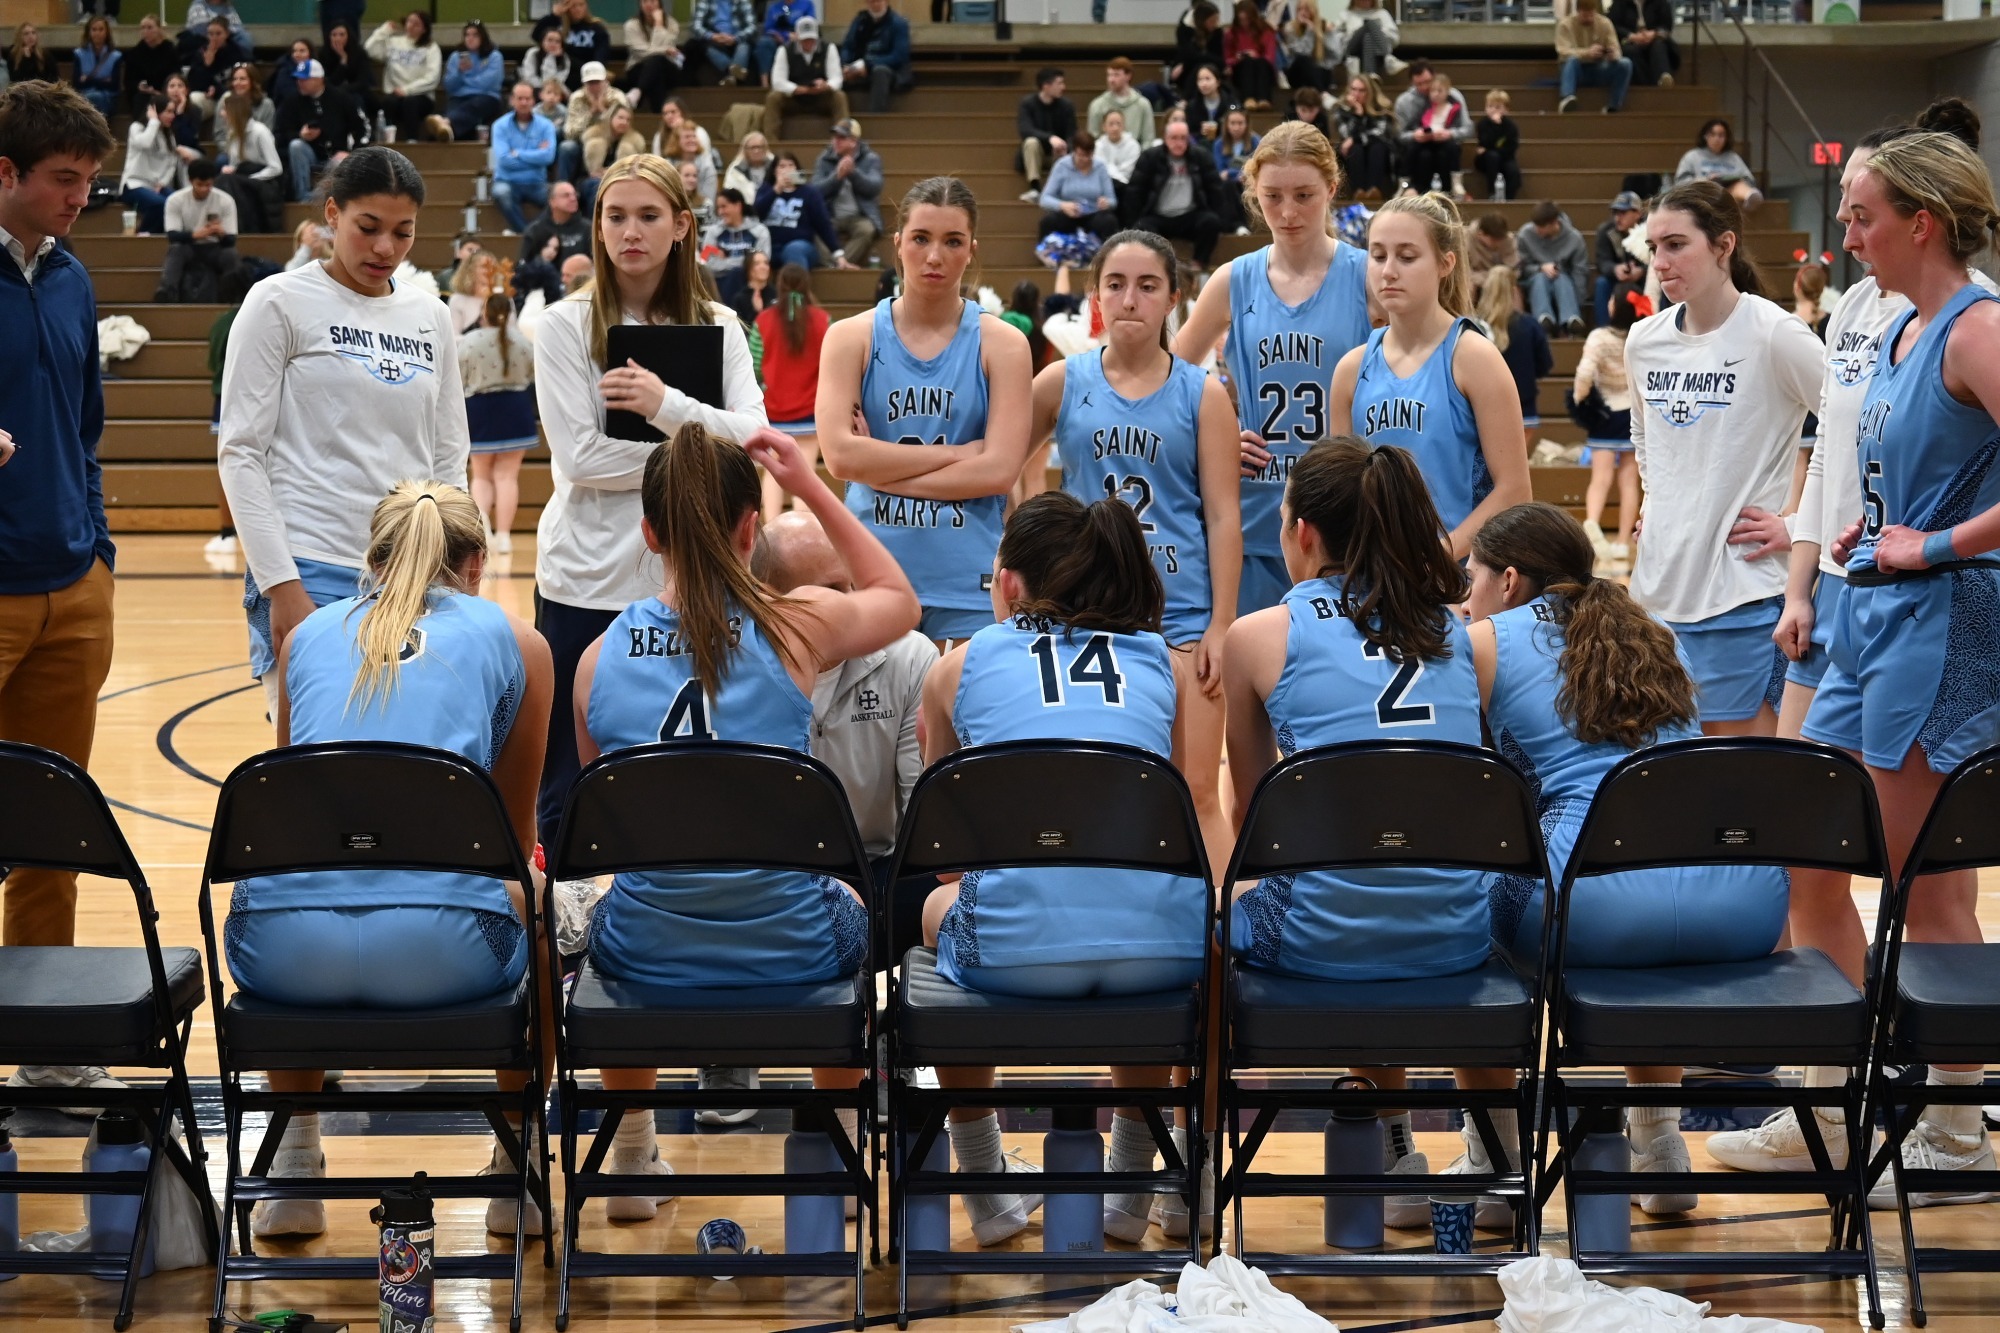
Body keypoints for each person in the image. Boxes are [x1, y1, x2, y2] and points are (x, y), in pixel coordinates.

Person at [1725, 110, 2000, 1192]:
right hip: (1866, 614)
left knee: (1923, 881)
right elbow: (1890, 471)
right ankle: (1829, 1098)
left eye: (1860, 217)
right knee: (1808, 854)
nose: (1845, 236)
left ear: (1921, 223)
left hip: (1943, 627)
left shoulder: (1977, 327)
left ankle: (1951, 1122)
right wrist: (1858, 532)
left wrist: (1924, 541)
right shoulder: (1890, 327)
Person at [571, 418, 914, 1200]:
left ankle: (629, 1157)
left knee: (623, 899)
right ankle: (837, 1153)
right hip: (789, 948)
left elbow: (609, 830)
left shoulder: (598, 659)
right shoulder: (797, 626)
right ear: (751, 527)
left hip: (647, 952)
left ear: (650, 532)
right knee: (854, 901)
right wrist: (809, 483)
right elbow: (900, 598)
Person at [232, 481, 553, 1239]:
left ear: (368, 560)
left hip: (285, 961)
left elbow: (290, 827)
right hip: (445, 956)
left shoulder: (303, 636)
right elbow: (508, 838)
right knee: (539, 899)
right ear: (477, 564)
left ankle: (295, 1165)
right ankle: (517, 1169)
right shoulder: (518, 641)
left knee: (291, 882)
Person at [1469, 501, 1790, 1219]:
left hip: (1594, 909)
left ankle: (1495, 1160)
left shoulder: (1484, 642)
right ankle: (1660, 1146)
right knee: (1641, 872)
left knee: (1462, 899)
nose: (1468, 596)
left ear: (1511, 580)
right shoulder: (1657, 632)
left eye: (1474, 578)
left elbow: (1470, 799)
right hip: (1743, 905)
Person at [920, 490, 1206, 1244]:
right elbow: (1171, 828)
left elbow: (946, 855)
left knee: (935, 910)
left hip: (1016, 955)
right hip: (1161, 954)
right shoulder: (1159, 660)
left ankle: (984, 1186)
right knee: (1132, 895)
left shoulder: (956, 665)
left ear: (1008, 583)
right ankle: (1135, 1188)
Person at [1221, 438, 1493, 1218]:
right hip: (1459, 932)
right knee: (1398, 867)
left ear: (1303, 532)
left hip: (1320, 935)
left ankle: (1383, 1140)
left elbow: (1252, 823)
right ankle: (1493, 1155)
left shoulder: (1256, 637)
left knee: (1249, 899)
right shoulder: (1460, 636)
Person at [531, 154, 768, 854]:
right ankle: (571, 933)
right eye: (615, 215)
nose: (630, 231)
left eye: (648, 215)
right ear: (597, 228)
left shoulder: (720, 322)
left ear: (682, 226)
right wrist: (701, 449)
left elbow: (755, 438)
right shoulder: (564, 325)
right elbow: (581, 459)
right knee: (572, 776)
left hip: (693, 578)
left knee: (689, 760)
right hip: (585, 580)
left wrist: (667, 406)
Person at [219, 148, 470, 723]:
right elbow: (240, 452)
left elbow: (449, 455)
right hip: (308, 562)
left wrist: (449, 566)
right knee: (314, 767)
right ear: (332, 214)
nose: (385, 248)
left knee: (405, 756)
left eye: (403, 233)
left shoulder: (430, 315)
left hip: (411, 570)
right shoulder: (278, 301)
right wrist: (281, 585)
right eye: (368, 227)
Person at [1031, 230, 1241, 874]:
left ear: (1173, 298)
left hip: (1180, 620)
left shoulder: (1203, 393)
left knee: (1199, 791)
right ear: (1094, 295)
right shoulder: (1060, 382)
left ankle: (1220, 944)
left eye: (1148, 285)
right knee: (1094, 791)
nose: (1130, 299)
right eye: (1116, 284)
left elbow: (1223, 515)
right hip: (1085, 619)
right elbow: (1000, 467)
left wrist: (1221, 624)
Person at [0, 82, 120, 1103]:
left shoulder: (73, 277)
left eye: (89, 180)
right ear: (6, 174)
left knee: (49, 826)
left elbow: (85, 429)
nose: (81, 197)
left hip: (71, 591)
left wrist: (100, 554)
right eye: (64, 181)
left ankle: (41, 1035)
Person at [1623, 179, 1820, 736]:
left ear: (1724, 244)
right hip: (1656, 596)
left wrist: (1800, 525)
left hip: (1742, 596)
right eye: (1653, 246)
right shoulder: (1643, 340)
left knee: (1737, 786)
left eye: (1676, 245)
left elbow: (1858, 427)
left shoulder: (1775, 333)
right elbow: (1646, 438)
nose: (1660, 261)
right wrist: (1660, 501)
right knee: (1667, 770)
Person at [817, 176, 1036, 645]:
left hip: (968, 580)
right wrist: (960, 456)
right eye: (921, 238)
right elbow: (838, 457)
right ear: (898, 244)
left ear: (971, 249)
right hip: (872, 572)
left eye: (952, 241)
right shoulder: (849, 337)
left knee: (957, 719)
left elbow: (998, 472)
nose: (934, 256)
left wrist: (877, 469)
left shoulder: (1004, 344)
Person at [1177, 122, 1371, 615]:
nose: (1287, 212)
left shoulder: (1367, 275)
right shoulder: (1232, 280)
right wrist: (1217, 436)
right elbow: (1168, 379)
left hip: (1349, 513)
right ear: (1253, 194)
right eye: (1272, 196)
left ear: (1331, 188)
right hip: (1257, 513)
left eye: (1304, 195)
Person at [1335, 192, 1531, 559]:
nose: (1388, 270)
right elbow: (1342, 493)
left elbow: (1515, 492)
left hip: (1458, 583)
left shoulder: (1473, 357)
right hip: (1377, 581)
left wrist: (1435, 560)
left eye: (1407, 257)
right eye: (1378, 256)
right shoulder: (1350, 369)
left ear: (1445, 263)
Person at [461, 292, 537, 552]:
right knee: (507, 477)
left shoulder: (469, 341)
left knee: (480, 476)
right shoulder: (524, 341)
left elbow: (459, 377)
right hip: (515, 408)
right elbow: (532, 374)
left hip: (480, 408)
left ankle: (484, 535)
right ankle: (504, 536)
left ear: (485, 313)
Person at [1574, 283, 1644, 563]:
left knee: (1599, 478)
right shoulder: (1641, 335)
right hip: (1632, 414)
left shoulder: (1599, 337)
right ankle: (1623, 543)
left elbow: (1584, 372)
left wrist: (1580, 399)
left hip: (1603, 414)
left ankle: (1592, 526)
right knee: (1629, 481)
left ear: (1613, 306)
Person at [756, 263, 828, 518]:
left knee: (772, 474)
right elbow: (833, 365)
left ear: (780, 285)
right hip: (810, 413)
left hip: (773, 413)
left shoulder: (762, 320)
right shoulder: (824, 320)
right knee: (805, 475)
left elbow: (754, 366)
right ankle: (801, 540)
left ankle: (773, 535)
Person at [1475, 265, 1550, 473]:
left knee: (1491, 473)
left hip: (1484, 411)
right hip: (1524, 408)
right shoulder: (1530, 325)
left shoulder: (1474, 327)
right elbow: (1545, 365)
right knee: (1515, 471)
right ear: (1514, 290)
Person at [1129, 121, 1229, 272]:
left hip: (1190, 215)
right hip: (1158, 216)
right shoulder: (1150, 157)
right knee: (1141, 228)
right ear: (1165, 138)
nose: (1179, 143)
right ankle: (1159, 266)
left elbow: (1215, 189)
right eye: (1174, 138)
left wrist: (1220, 216)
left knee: (1211, 222)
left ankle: (1198, 263)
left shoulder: (1201, 157)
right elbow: (1135, 192)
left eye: (1183, 138)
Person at [278, 60, 365, 204]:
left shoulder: (341, 98)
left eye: (304, 79)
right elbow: (281, 133)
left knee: (341, 161)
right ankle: (303, 198)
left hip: (337, 153)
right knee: (296, 145)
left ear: (319, 79)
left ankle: (321, 198)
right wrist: (300, 135)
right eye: (298, 79)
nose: (300, 82)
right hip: (309, 154)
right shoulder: (292, 101)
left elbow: (361, 127)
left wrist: (353, 152)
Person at [158, 158, 241, 303]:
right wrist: (195, 235)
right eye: (199, 185)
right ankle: (167, 293)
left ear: (213, 182)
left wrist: (221, 233)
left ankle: (230, 298)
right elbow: (172, 235)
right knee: (176, 250)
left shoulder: (225, 200)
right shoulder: (175, 200)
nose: (204, 189)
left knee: (231, 255)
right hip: (189, 247)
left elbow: (231, 240)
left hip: (215, 247)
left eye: (208, 185)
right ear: (190, 181)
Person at [812, 119, 883, 267]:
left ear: (853, 141)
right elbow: (815, 191)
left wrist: (853, 173)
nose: (836, 141)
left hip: (859, 215)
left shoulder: (871, 158)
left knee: (867, 230)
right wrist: (836, 177)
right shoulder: (824, 159)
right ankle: (837, 266)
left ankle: (838, 265)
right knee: (814, 229)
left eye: (841, 138)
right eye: (834, 137)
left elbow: (874, 187)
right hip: (831, 215)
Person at [491, 82, 557, 236]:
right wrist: (535, 156)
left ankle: (529, 231)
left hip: (536, 182)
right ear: (512, 100)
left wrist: (518, 153)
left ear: (533, 101)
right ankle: (528, 233)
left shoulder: (546, 125)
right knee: (501, 193)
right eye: (520, 98)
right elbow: (503, 160)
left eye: (527, 98)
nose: (524, 102)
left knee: (560, 198)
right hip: (507, 181)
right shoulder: (499, 126)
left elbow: (548, 157)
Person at [765, 17, 847, 142]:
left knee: (839, 96)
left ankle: (843, 140)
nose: (808, 42)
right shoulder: (784, 51)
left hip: (820, 97)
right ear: (797, 37)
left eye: (811, 39)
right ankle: (771, 143)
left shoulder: (829, 49)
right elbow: (777, 81)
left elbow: (837, 78)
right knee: (773, 97)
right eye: (804, 39)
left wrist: (826, 85)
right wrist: (797, 89)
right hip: (794, 99)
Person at [1516, 200, 1590, 337]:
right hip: (1534, 280)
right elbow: (1521, 268)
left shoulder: (1574, 238)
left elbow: (1580, 271)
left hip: (1564, 283)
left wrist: (1579, 301)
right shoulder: (1525, 235)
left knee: (1561, 278)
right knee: (1540, 278)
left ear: (1554, 223)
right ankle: (1544, 319)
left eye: (1541, 227)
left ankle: (1571, 319)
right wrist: (1540, 268)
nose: (1537, 230)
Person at [757, 151, 841, 271]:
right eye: (782, 166)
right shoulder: (766, 189)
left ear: (797, 169)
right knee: (752, 255)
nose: (787, 170)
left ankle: (797, 290)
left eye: (791, 165)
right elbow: (756, 215)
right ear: (774, 171)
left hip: (802, 247)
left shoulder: (809, 192)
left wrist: (838, 254)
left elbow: (823, 224)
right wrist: (776, 190)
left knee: (793, 249)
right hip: (770, 247)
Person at [367, 11, 443, 144]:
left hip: (421, 96)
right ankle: (387, 141)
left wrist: (407, 90)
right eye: (409, 21)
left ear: (424, 29)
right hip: (395, 94)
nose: (411, 25)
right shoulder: (394, 42)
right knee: (388, 102)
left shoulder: (431, 47)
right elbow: (369, 49)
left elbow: (432, 78)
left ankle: (412, 140)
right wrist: (384, 31)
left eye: (416, 24)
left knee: (410, 102)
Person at [215, 93, 284, 234]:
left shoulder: (260, 132)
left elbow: (276, 168)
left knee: (229, 182)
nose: (222, 114)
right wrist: (231, 169)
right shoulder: (232, 133)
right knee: (222, 179)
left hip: (265, 179)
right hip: (244, 178)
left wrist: (251, 178)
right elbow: (236, 163)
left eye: (225, 110)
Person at [1393, 60, 1468, 185]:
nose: (1424, 87)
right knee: (1423, 156)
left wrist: (1449, 134)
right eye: (1419, 84)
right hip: (1419, 146)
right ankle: (1410, 188)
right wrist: (1414, 135)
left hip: (1446, 144)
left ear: (1435, 76)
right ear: (1412, 82)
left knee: (1446, 153)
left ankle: (1452, 189)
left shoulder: (1453, 96)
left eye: (1427, 82)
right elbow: (1398, 135)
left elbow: (1467, 128)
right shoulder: (1404, 101)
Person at [1038, 132, 1119, 243]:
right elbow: (1045, 199)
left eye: (1088, 155)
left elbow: (1112, 200)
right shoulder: (1062, 166)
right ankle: (1049, 257)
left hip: (1093, 214)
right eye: (1081, 155)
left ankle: (1105, 258)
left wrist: (1106, 203)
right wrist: (1062, 205)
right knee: (1048, 222)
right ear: (1074, 151)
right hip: (1068, 214)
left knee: (1110, 221)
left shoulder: (1100, 167)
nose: (1085, 159)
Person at [120, 97, 185, 235]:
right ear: (155, 111)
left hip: (156, 186)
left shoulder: (168, 134)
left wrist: (163, 182)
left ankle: (159, 236)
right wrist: (154, 121)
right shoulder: (137, 127)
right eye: (168, 112)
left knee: (178, 203)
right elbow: (145, 143)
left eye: (173, 112)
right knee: (159, 205)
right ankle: (142, 234)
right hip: (134, 184)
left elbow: (172, 163)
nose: (172, 116)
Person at [1556, 0, 1631, 115]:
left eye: (1591, 14)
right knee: (1571, 61)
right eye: (1585, 15)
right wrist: (1587, 53)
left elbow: (1616, 48)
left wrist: (1613, 54)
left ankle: (1613, 106)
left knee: (1625, 63)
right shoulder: (1565, 24)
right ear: (1578, 12)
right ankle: (1567, 98)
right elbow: (1563, 52)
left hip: (1599, 67)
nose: (1589, 18)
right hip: (1576, 70)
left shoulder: (1605, 23)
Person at [840, 0, 914, 116]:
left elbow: (899, 56)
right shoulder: (860, 21)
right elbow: (848, 47)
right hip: (859, 67)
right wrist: (846, 65)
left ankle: (876, 117)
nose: (874, 4)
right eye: (871, 1)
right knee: (835, 73)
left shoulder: (898, 23)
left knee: (880, 71)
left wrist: (868, 65)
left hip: (889, 70)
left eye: (878, 1)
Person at [1017, 68, 1076, 204]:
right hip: (1036, 154)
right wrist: (1050, 138)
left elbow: (1072, 133)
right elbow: (1025, 130)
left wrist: (1065, 147)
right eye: (1059, 83)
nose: (1063, 87)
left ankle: (1057, 189)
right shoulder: (1027, 104)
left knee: (1072, 150)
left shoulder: (1067, 106)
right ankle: (1035, 188)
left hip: (1059, 154)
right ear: (1046, 86)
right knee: (1031, 142)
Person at [1676, 118, 1762, 211]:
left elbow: (1749, 179)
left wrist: (1730, 179)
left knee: (1737, 186)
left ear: (1726, 138)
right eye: (1712, 134)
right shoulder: (1692, 156)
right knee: (1710, 189)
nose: (1717, 139)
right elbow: (1680, 182)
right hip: (1704, 191)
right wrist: (1705, 180)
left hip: (1729, 193)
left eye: (1721, 135)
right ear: (1705, 136)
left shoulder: (1733, 157)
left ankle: (1750, 196)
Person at [701, 188, 769, 301]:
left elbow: (762, 263)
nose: (720, 212)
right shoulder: (713, 232)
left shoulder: (759, 231)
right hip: (719, 283)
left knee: (737, 274)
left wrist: (724, 262)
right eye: (718, 208)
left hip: (750, 285)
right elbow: (705, 262)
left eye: (724, 207)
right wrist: (745, 262)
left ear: (738, 206)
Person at [1334, 73, 1395, 201]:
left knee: (1377, 147)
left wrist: (1354, 139)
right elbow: (1345, 134)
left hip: (1378, 150)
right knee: (1356, 149)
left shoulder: (1381, 108)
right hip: (1352, 153)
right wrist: (1358, 114)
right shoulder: (1341, 109)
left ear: (1369, 92)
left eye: (1361, 90)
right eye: (1353, 89)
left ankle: (1374, 191)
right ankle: (1359, 193)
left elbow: (1380, 134)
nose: (1356, 94)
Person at [444, 20, 505, 142]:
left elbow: (488, 83)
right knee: (458, 113)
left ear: (483, 37)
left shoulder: (494, 56)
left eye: (475, 35)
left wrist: (464, 81)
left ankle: (445, 122)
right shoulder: (456, 57)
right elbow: (449, 85)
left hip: (486, 98)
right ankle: (446, 129)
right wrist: (460, 72)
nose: (470, 38)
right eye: (467, 35)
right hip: (459, 98)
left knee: (473, 106)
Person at [619, 0, 684, 113]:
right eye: (645, 2)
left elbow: (656, 50)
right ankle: (660, 114)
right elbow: (641, 52)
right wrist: (664, 50)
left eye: (653, 1)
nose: (649, 5)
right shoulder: (631, 25)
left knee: (658, 61)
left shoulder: (672, 24)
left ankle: (637, 92)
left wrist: (658, 23)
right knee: (656, 74)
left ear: (660, 4)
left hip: (668, 68)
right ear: (640, 4)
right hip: (638, 68)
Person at [1593, 189, 1645, 327]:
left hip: (1642, 281)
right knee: (1601, 283)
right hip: (1616, 281)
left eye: (1623, 213)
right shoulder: (1605, 231)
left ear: (1638, 213)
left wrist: (1642, 271)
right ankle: (1604, 329)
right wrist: (1615, 269)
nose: (1617, 218)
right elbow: (1602, 261)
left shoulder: (1649, 230)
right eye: (1615, 213)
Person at [1223, 0, 1279, 111]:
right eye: (1241, 20)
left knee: (1260, 63)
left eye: (1247, 20)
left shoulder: (1266, 31)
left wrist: (1256, 55)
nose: (1244, 23)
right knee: (1247, 62)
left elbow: (1270, 57)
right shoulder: (1231, 33)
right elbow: (1227, 59)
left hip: (1263, 70)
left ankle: (1264, 99)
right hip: (1241, 70)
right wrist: (1237, 58)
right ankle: (1248, 99)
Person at [1610, 0, 1677, 88]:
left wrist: (1654, 33)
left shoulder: (1661, 2)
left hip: (1654, 39)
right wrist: (1631, 36)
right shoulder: (1620, 3)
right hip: (1630, 40)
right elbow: (1613, 25)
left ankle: (1664, 79)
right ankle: (1646, 87)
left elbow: (1666, 25)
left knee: (1659, 47)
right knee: (1630, 51)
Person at [1089, 56, 1154, 146]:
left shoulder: (1143, 104)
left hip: (1136, 154)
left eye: (1116, 75)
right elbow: (1093, 138)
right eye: (1109, 75)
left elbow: (1148, 139)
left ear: (1128, 76)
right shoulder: (1098, 105)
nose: (1111, 80)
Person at [690, 0, 757, 85]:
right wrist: (713, 36)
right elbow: (695, 26)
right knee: (702, 45)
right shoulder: (705, 2)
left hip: (738, 38)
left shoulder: (743, 2)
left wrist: (736, 38)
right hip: (715, 39)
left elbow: (752, 27)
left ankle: (731, 77)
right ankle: (734, 73)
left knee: (744, 45)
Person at [125, 15, 181, 118]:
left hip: (165, 92)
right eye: (143, 28)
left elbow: (175, 75)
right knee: (140, 99)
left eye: (150, 27)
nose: (146, 31)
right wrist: (139, 86)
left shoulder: (170, 50)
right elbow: (129, 80)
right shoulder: (135, 53)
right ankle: (139, 129)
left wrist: (161, 91)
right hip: (144, 94)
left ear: (159, 29)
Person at [582, 103, 645, 191]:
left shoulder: (632, 142)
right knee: (596, 185)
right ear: (611, 118)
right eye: (620, 118)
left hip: (620, 180)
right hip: (594, 179)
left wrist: (609, 173)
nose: (624, 122)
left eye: (628, 120)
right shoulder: (595, 136)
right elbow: (592, 172)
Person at [1212, 112, 1258, 231]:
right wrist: (1239, 173)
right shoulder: (1219, 144)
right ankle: (1239, 225)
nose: (1236, 127)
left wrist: (1234, 173)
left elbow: (1257, 165)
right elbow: (1220, 172)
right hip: (1230, 185)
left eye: (1240, 123)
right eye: (1232, 123)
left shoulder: (1255, 141)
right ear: (1226, 125)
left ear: (1247, 124)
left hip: (1249, 182)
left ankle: (1235, 226)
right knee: (1228, 186)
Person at [1171, 2, 1225, 104]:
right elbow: (1188, 55)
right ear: (1203, 20)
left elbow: (1219, 59)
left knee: (1203, 68)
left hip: (1210, 68)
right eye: (1212, 21)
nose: (1215, 23)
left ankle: (1185, 100)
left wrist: (1200, 57)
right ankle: (1187, 100)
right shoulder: (1186, 31)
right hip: (1189, 70)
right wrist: (1201, 58)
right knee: (1200, 68)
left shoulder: (1217, 33)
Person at [1333, 0, 1402, 78]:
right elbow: (1337, 37)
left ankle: (1370, 73)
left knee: (1367, 37)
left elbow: (1394, 37)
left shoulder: (1382, 14)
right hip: (1352, 48)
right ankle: (1387, 57)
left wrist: (1378, 33)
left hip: (1375, 51)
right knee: (1370, 23)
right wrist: (1355, 32)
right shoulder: (1345, 14)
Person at [1277, 1, 1332, 95]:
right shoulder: (1290, 28)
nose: (1302, 13)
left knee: (1326, 68)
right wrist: (1309, 31)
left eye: (1306, 9)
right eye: (1299, 9)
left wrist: (1327, 35)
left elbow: (1335, 56)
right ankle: (1322, 95)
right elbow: (1303, 52)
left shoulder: (1322, 25)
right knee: (1304, 60)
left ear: (1313, 11)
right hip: (1296, 73)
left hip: (1316, 72)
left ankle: (1319, 95)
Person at [1474, 88, 1520, 203]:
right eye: (1490, 106)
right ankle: (1492, 193)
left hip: (1505, 158)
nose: (1493, 110)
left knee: (1513, 171)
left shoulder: (1510, 126)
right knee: (1492, 157)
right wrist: (1496, 126)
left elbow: (1512, 147)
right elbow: (1485, 142)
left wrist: (1491, 149)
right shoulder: (1483, 124)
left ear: (1506, 110)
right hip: (1485, 160)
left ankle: (1509, 199)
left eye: (1498, 107)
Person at [72, 17, 121, 119]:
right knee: (87, 100)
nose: (97, 33)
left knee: (95, 99)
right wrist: (103, 80)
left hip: (108, 98)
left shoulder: (115, 55)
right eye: (94, 29)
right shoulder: (79, 54)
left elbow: (114, 85)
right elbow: (77, 83)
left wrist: (88, 79)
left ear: (106, 32)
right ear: (88, 32)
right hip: (83, 96)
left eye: (101, 29)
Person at [755, 0, 815, 83]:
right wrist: (784, 35)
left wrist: (799, 35)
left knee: (804, 42)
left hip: (800, 37)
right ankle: (764, 84)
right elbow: (768, 29)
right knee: (764, 43)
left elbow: (810, 24)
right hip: (778, 38)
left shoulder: (806, 4)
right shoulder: (774, 7)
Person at [321, 22, 374, 113]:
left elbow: (363, 81)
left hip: (357, 92)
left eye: (342, 35)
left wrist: (344, 90)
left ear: (348, 36)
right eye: (334, 35)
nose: (338, 38)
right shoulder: (323, 54)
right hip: (332, 92)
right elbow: (329, 81)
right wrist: (343, 61)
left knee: (355, 99)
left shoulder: (359, 53)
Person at [1096, 109, 1140, 204]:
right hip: (1103, 187)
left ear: (1123, 126)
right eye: (1111, 124)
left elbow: (1128, 171)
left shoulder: (1133, 146)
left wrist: (1112, 173)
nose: (1115, 128)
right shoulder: (1098, 145)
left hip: (1126, 186)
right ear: (1104, 127)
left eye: (1118, 124)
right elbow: (1100, 169)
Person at [1189, 65, 1238, 147]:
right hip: (1200, 146)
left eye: (1208, 79)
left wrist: (1218, 127)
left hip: (1227, 145)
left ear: (1218, 82)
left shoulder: (1230, 103)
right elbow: (1190, 131)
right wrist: (1200, 132)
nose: (1203, 84)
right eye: (1200, 80)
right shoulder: (1192, 106)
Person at [1468, 209, 1517, 284]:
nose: (1498, 244)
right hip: (1477, 279)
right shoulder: (1466, 239)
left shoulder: (1507, 239)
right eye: (1494, 240)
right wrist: (1487, 278)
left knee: (1515, 288)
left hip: (1501, 279)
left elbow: (1514, 268)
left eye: (1500, 239)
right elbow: (1464, 272)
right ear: (1480, 234)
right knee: (1469, 285)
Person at [520, 29, 573, 95]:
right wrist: (544, 89)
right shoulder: (533, 53)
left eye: (557, 42)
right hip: (533, 89)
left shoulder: (565, 59)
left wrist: (551, 57)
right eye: (550, 40)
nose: (553, 44)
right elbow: (529, 77)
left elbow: (556, 81)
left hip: (555, 91)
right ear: (542, 41)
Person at [725, 130, 773, 201]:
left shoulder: (775, 165)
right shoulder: (736, 169)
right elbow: (729, 195)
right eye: (753, 148)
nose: (756, 151)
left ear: (765, 148)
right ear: (745, 150)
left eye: (760, 147)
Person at [732, 249, 776, 326]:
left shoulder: (776, 294)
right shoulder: (740, 298)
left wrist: (761, 311)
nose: (763, 267)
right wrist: (756, 312)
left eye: (766, 263)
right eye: (757, 264)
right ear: (748, 269)